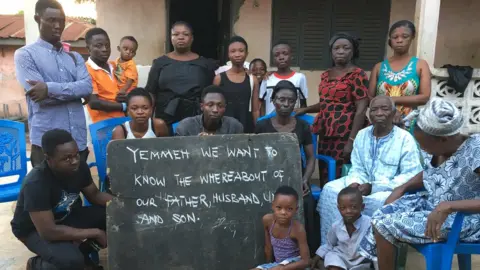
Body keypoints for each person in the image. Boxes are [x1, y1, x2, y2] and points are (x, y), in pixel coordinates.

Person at [358, 98, 480, 270]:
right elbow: (434, 172)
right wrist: (403, 187)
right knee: (380, 213)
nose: (423, 149)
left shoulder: (476, 150)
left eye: (425, 145)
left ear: (443, 139)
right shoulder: (441, 148)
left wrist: (450, 206)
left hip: (465, 219)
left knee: (384, 224)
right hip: (433, 207)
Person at [318, 96, 423, 245]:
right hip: (361, 184)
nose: (379, 113)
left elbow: (410, 174)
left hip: (388, 189)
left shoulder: (405, 139)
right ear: (369, 115)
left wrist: (374, 187)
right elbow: (357, 166)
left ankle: (369, 250)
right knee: (330, 190)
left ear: (393, 114)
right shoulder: (362, 135)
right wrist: (355, 183)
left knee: (380, 201)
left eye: (384, 109)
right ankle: (331, 247)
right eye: (374, 110)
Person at [10, 129, 113, 270]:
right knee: (70, 260)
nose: (74, 161)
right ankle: (37, 265)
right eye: (67, 158)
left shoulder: (79, 167)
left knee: (113, 216)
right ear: (49, 159)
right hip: (34, 230)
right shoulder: (36, 183)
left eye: (76, 155)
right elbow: (48, 232)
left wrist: (123, 205)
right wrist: (95, 232)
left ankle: (82, 257)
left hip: (65, 216)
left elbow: (95, 195)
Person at [14, 0, 92, 167]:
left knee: (75, 192)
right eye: (51, 20)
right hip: (47, 149)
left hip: (78, 143)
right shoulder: (25, 55)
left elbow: (87, 87)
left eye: (61, 21)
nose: (58, 26)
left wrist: (48, 88)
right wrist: (74, 92)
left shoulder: (75, 57)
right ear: (37, 19)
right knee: (47, 193)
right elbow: (39, 97)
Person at [296, 33, 369, 185]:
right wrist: (305, 109)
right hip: (326, 132)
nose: (340, 51)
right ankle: (325, 207)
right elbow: (327, 103)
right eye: (336, 48)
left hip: (346, 132)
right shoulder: (326, 75)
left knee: (342, 175)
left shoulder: (357, 74)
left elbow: (361, 109)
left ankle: (341, 208)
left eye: (345, 48)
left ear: (353, 51)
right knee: (325, 171)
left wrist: (352, 140)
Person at [255, 80, 318, 254]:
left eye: (291, 101)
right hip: (268, 177)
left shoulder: (303, 126)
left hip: (295, 177)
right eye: (282, 99)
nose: (286, 104)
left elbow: (311, 157)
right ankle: (267, 249)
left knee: (306, 201)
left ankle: (308, 252)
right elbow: (256, 156)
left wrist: (305, 179)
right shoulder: (262, 125)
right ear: (273, 100)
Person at [145, 21, 217, 129]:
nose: (181, 37)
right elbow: (151, 92)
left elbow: (211, 93)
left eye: (185, 34)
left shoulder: (205, 64)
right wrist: (149, 120)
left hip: (196, 118)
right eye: (176, 34)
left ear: (192, 38)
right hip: (165, 118)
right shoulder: (160, 63)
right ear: (171, 37)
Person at [368, 20, 431, 131]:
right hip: (381, 123)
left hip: (408, 123)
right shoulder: (379, 67)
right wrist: (387, 111)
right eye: (395, 37)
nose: (399, 40)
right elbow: (369, 98)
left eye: (405, 36)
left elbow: (424, 97)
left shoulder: (420, 65)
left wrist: (393, 100)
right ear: (390, 40)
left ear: (412, 37)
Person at [311, 187, 372, 270]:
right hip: (341, 256)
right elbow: (329, 244)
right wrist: (316, 257)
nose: (348, 211)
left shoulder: (370, 224)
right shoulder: (336, 226)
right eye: (343, 208)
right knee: (333, 258)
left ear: (362, 207)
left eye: (353, 207)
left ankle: (323, 266)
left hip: (360, 260)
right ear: (339, 208)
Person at [251, 186, 310, 270]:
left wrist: (281, 269)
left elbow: (306, 261)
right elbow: (268, 247)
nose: (283, 212)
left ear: (296, 210)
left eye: (289, 209)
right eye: (279, 207)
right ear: (273, 206)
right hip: (277, 265)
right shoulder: (267, 220)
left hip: (294, 265)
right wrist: (268, 265)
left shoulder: (297, 229)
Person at [213, 36, 260, 133]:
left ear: (247, 54)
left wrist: (258, 130)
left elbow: (255, 110)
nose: (237, 54)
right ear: (228, 54)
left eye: (241, 51)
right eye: (233, 51)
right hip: (224, 129)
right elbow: (213, 107)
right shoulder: (219, 78)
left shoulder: (252, 79)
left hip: (246, 128)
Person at [85, 27, 126, 123]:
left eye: (107, 45)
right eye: (99, 46)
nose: (104, 49)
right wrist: (125, 106)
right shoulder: (86, 71)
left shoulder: (116, 66)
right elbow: (94, 103)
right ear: (88, 49)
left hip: (125, 121)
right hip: (104, 125)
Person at [259, 41, 308, 116]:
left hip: (293, 122)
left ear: (291, 56)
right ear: (273, 59)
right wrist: (262, 121)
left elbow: (303, 104)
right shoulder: (267, 79)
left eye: (285, 54)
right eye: (276, 55)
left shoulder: (300, 77)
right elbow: (262, 104)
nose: (281, 57)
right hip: (270, 124)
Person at [175, 85, 243, 136]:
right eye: (210, 105)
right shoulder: (186, 127)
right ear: (202, 106)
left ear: (225, 107)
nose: (215, 110)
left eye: (220, 106)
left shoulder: (234, 127)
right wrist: (196, 143)